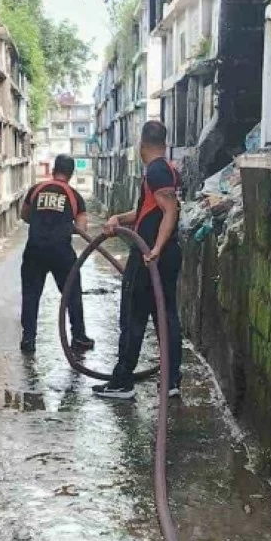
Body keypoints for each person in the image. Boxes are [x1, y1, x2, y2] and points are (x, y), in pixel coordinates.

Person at [94, 121, 182, 400]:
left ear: (141, 144)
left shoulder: (156, 170)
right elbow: (147, 210)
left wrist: (155, 247)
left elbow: (170, 211)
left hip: (149, 257)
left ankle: (122, 382)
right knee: (165, 316)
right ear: (164, 143)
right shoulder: (162, 170)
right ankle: (171, 380)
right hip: (161, 256)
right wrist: (119, 218)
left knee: (132, 314)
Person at [19, 154, 96, 355]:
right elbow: (82, 229)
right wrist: (63, 225)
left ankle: (28, 339)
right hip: (61, 252)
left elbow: (25, 215)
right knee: (72, 294)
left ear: (53, 170)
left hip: (34, 249)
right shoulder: (74, 196)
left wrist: (42, 221)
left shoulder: (35, 190)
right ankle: (79, 337)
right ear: (71, 173)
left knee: (30, 295)